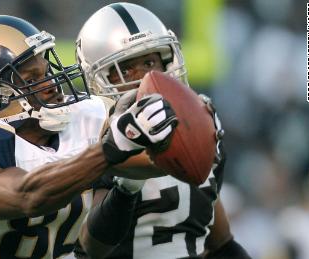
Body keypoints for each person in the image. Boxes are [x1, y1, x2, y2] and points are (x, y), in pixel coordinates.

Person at [0, 14, 179, 258]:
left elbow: (161, 160)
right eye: (32, 79)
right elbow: (26, 196)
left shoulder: (84, 117)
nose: (52, 85)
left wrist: (181, 124)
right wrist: (111, 148)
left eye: (46, 73)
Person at [74, 3, 251, 259]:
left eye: (150, 61)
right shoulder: (89, 134)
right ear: (98, 79)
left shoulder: (199, 120)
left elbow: (220, 242)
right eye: (126, 69)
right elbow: (92, 248)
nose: (146, 78)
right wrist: (128, 184)